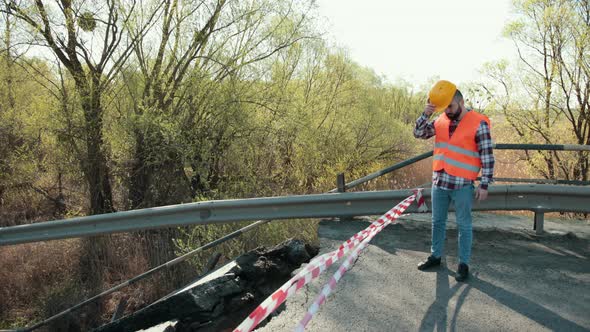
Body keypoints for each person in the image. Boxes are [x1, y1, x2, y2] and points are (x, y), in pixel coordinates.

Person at [413, 80, 495, 282]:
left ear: (461, 101)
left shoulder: (479, 123)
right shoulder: (440, 120)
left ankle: (463, 264)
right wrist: (427, 113)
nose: (447, 111)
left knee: (464, 226)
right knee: (437, 222)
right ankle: (436, 256)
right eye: (445, 107)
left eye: (450, 106)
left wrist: (485, 184)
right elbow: (418, 133)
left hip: (462, 186)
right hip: (439, 182)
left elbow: (487, 156)